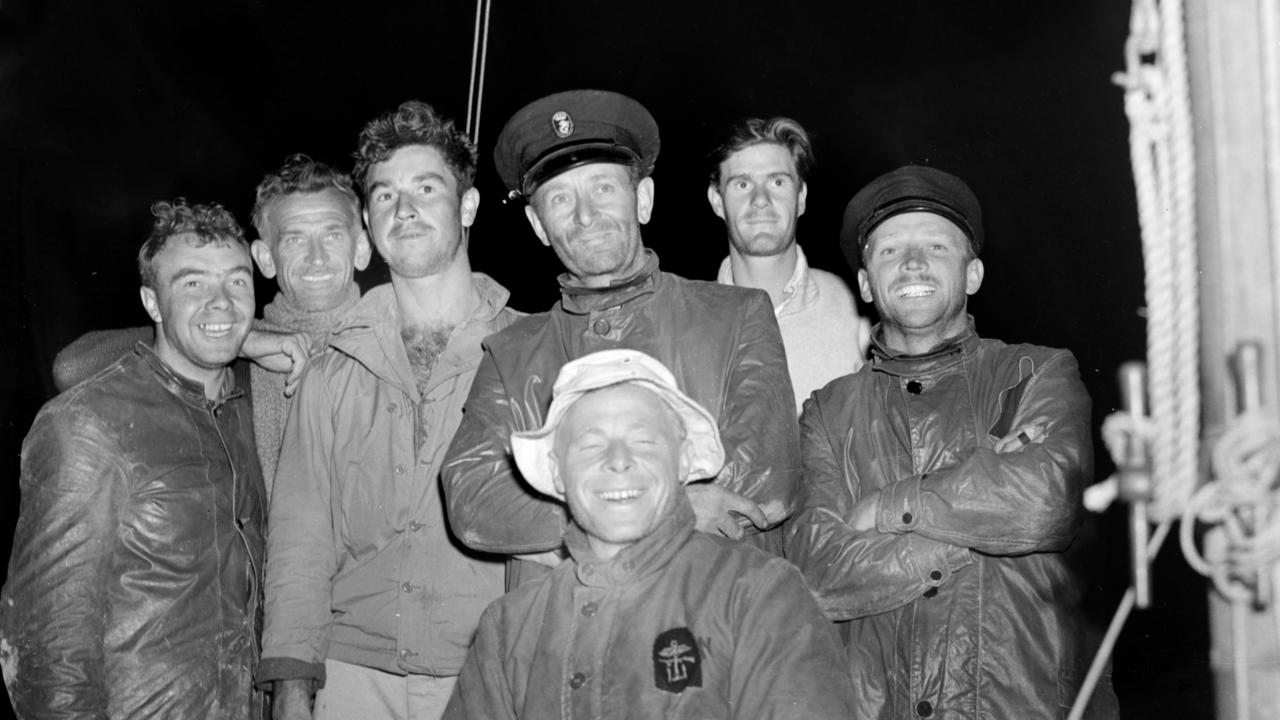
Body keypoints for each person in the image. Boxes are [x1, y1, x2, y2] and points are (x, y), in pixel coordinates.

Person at [786, 165, 1118, 718]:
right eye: (891, 250)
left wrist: (886, 506)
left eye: (937, 246)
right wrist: (982, 514)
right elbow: (817, 571)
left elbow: (1045, 502)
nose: (913, 263)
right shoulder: (827, 411)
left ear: (973, 274)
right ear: (867, 283)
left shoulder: (1035, 373)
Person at [443, 90, 799, 575]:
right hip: (566, 638)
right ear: (538, 224)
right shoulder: (511, 353)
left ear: (644, 199)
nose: (585, 216)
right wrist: (680, 509)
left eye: (603, 189)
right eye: (561, 199)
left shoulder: (736, 317)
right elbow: (472, 500)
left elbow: (765, 484)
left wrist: (578, 522)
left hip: (712, 628)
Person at [258, 100, 520, 720]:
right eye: (383, 196)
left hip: (490, 675)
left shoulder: (528, 350)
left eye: (426, 188)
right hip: (352, 681)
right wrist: (292, 685)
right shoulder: (331, 368)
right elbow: (301, 539)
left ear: (468, 207)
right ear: (370, 227)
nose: (403, 208)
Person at [444, 349, 854, 719]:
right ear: (556, 473)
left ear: (683, 461)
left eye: (643, 440)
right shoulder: (509, 628)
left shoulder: (761, 596)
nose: (618, 461)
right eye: (590, 445)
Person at [0, 199, 267, 718]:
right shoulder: (87, 425)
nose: (222, 303)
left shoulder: (250, 409)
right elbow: (45, 651)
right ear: (151, 302)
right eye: (192, 284)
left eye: (236, 282)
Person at [49, 153, 369, 491]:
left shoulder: (399, 343)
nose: (316, 257)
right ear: (265, 258)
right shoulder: (236, 363)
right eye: (294, 239)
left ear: (361, 249)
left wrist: (243, 337)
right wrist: (246, 340)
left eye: (332, 235)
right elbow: (72, 366)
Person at [706, 116, 869, 410]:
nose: (760, 199)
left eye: (778, 181)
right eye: (742, 184)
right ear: (717, 201)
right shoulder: (691, 320)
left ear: (801, 196)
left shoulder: (851, 307)